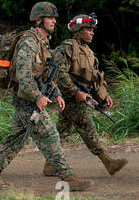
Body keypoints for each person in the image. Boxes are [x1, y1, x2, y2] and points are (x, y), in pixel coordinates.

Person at [0, 2, 94, 191]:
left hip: (28, 100)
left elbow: (46, 74)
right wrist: (37, 96)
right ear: (38, 20)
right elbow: (23, 74)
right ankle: (67, 178)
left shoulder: (43, 42)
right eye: (50, 17)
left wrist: (57, 93)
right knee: (51, 135)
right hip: (28, 100)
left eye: (54, 18)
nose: (54, 21)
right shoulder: (29, 41)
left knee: (16, 139)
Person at [48, 14, 128, 176]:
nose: (92, 33)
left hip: (81, 96)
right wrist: (75, 92)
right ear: (77, 31)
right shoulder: (66, 48)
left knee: (63, 131)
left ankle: (50, 165)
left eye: (93, 30)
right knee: (87, 127)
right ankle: (108, 162)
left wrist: (104, 95)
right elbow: (58, 73)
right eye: (88, 29)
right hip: (71, 97)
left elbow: (95, 78)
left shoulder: (89, 53)